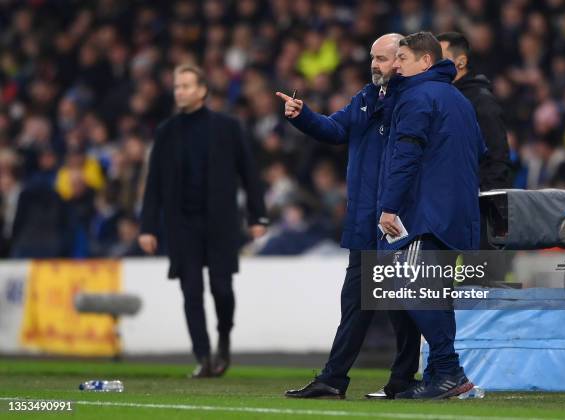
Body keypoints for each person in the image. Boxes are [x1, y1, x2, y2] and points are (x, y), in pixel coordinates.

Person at [276, 33, 422, 400]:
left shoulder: (412, 101)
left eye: (383, 58)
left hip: (397, 219)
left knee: (403, 306)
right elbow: (336, 129)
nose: (375, 65)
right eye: (373, 57)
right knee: (356, 303)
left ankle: (400, 378)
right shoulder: (366, 98)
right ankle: (335, 378)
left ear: (401, 60)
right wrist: (303, 115)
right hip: (365, 219)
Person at [139, 64, 268, 378]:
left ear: (202, 90)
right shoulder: (166, 131)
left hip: (220, 222)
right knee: (191, 291)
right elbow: (153, 181)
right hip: (181, 224)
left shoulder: (228, 127)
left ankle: (224, 336)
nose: (180, 91)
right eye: (177, 87)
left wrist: (257, 215)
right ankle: (203, 356)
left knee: (222, 288)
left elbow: (249, 174)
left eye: (185, 86)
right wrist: (147, 226)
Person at [378, 32, 485, 399]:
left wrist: (389, 207)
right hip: (458, 214)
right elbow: (479, 150)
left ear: (425, 62)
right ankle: (440, 375)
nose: (395, 64)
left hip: (424, 213)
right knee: (435, 294)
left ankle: (450, 370)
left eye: (402, 58)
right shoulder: (458, 99)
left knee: (409, 286)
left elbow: (405, 155)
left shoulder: (416, 96)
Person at [437, 31, 512, 191]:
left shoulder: (481, 101)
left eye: (440, 58)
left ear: (461, 62)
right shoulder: (439, 98)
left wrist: (488, 202)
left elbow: (497, 157)